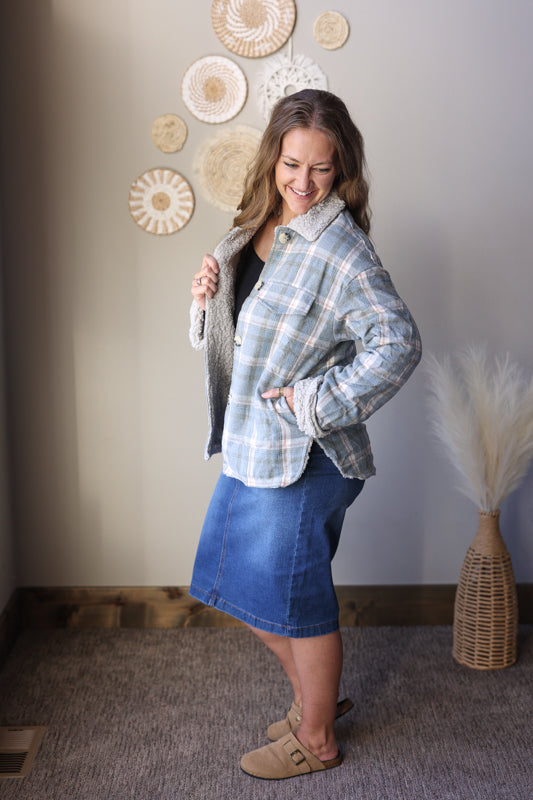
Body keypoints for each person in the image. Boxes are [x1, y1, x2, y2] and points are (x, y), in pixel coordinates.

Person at [189, 89, 421, 780]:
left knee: (296, 602)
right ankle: (311, 703)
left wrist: (318, 399)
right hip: (252, 445)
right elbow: (242, 339)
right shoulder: (255, 227)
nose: (303, 182)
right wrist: (207, 298)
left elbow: (399, 343)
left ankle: (316, 738)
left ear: (341, 168)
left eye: (321, 168)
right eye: (292, 164)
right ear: (273, 157)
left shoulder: (341, 249)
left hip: (306, 455)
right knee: (237, 586)